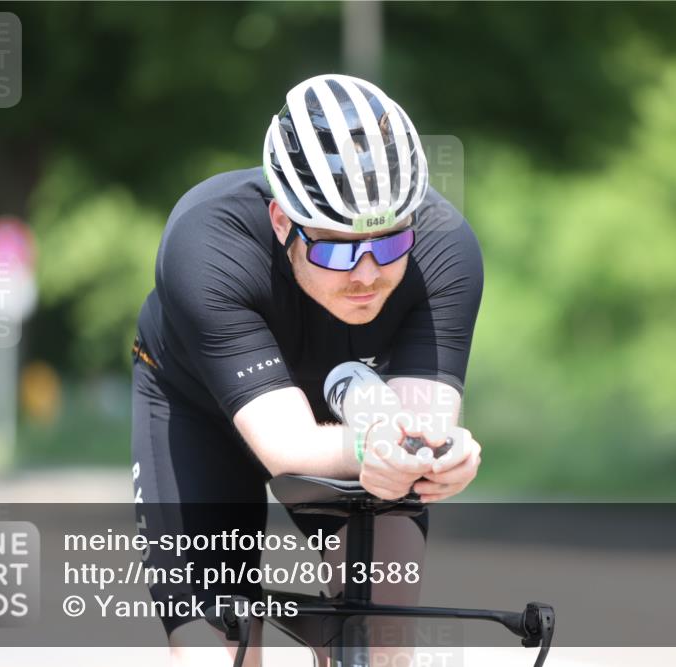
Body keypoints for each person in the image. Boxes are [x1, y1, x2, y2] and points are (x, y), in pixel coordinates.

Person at [131, 74, 484, 666]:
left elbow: (415, 428)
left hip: (352, 415)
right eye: (337, 249)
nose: (367, 273)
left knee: (381, 643)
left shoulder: (447, 251)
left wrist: (435, 454)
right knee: (219, 650)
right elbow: (288, 448)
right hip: (199, 409)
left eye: (389, 244)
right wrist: (379, 450)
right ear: (279, 221)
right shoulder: (205, 242)